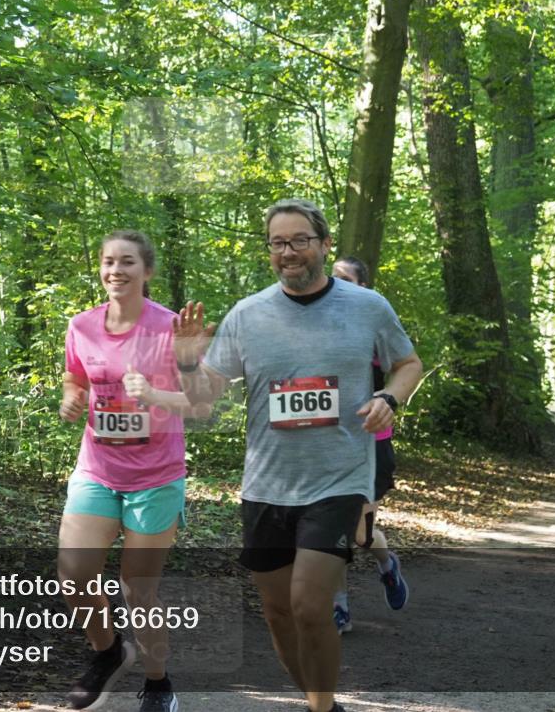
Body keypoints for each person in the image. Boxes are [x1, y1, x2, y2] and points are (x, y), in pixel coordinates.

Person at [172, 200, 422, 712]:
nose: (288, 252)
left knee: (310, 606)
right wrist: (186, 358)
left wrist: (389, 397)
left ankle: (322, 708)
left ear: (324, 244)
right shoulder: (248, 313)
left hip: (339, 479)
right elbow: (204, 396)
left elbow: (408, 363)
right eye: (278, 243)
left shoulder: (367, 306)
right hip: (266, 484)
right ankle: (319, 701)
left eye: (299, 240)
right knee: (278, 612)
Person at [58, 230, 201, 712]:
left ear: (148, 271)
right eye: (108, 262)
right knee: (73, 576)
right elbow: (75, 375)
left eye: (127, 263)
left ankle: (159, 683)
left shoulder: (171, 327)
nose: (115, 270)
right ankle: (108, 651)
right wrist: (71, 397)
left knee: (139, 591)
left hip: (156, 477)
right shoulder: (81, 325)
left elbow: (203, 402)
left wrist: (157, 395)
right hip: (97, 469)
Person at [329, 256, 409, 634]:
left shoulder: (375, 324)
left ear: (362, 287)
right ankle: (338, 606)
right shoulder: (313, 325)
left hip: (369, 443)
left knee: (358, 533)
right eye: (332, 278)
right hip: (325, 442)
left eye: (344, 279)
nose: (335, 284)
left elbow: (406, 367)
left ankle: (386, 564)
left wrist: (386, 398)